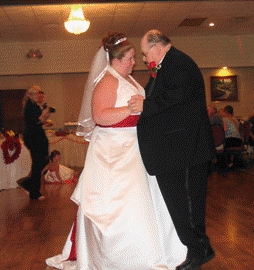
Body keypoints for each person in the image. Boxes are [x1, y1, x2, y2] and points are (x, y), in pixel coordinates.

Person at [46, 31, 187, 269]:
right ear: (116, 59)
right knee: (123, 203)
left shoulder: (129, 80)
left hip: (134, 145)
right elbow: (100, 116)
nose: (135, 61)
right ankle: (121, 256)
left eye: (134, 57)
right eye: (130, 58)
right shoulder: (107, 81)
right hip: (114, 150)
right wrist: (131, 109)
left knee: (145, 199)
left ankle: (154, 250)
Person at [128, 29, 215, 270]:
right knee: (181, 205)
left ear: (157, 46)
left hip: (186, 151)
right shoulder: (169, 65)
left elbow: (174, 100)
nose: (144, 59)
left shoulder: (179, 64)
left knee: (187, 205)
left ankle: (200, 250)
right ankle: (198, 248)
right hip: (175, 151)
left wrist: (144, 104)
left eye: (145, 53)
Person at [19, 85, 50, 200]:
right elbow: (38, 121)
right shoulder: (30, 106)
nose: (39, 95)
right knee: (38, 163)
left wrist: (46, 113)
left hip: (36, 135)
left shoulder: (34, 106)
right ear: (30, 95)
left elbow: (40, 121)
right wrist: (45, 112)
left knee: (42, 161)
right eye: (37, 93)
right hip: (33, 136)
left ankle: (28, 185)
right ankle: (33, 191)